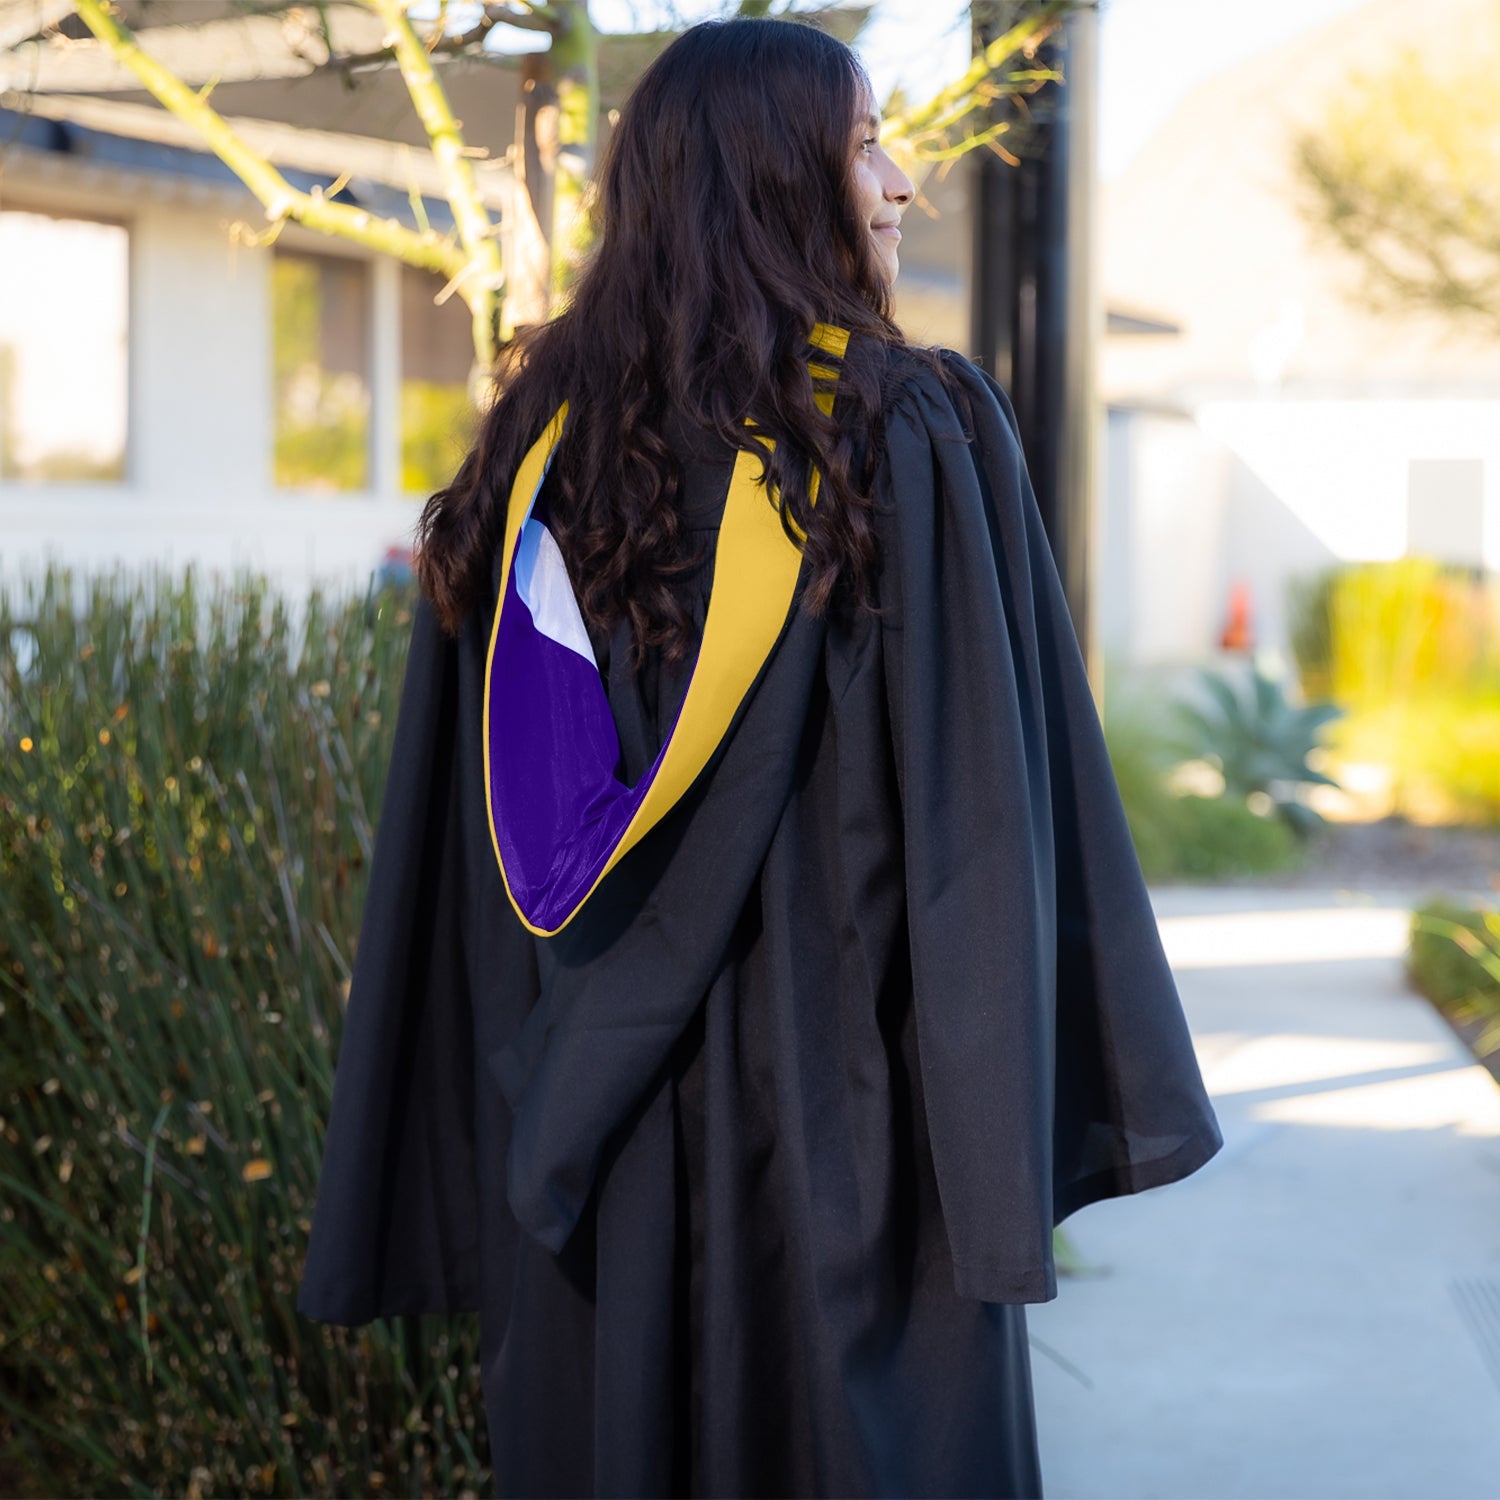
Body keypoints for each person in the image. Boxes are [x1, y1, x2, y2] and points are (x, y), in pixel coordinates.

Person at [296, 16, 1224, 1500]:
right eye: (864, 143)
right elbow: (984, 831)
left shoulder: (534, 455)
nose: (902, 182)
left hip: (587, 1148)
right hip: (843, 1152)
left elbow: (471, 873)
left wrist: (510, 1128)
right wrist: (993, 1176)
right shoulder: (903, 430)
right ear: (772, 179)